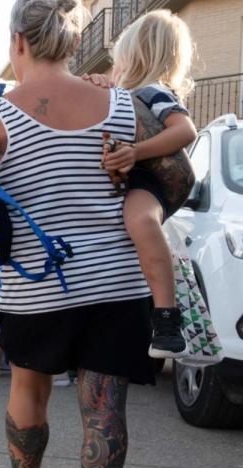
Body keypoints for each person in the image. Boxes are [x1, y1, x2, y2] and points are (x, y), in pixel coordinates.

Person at [0, 2, 155, 468]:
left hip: (35, 287)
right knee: (103, 409)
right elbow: (176, 176)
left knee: (28, 392)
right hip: (115, 282)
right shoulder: (124, 104)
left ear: (18, 43)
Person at [86, 10, 197, 359]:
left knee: (141, 220)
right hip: (127, 176)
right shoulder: (123, 92)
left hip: (149, 178)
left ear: (135, 52)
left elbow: (185, 131)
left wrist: (136, 152)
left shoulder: (155, 91)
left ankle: (166, 318)